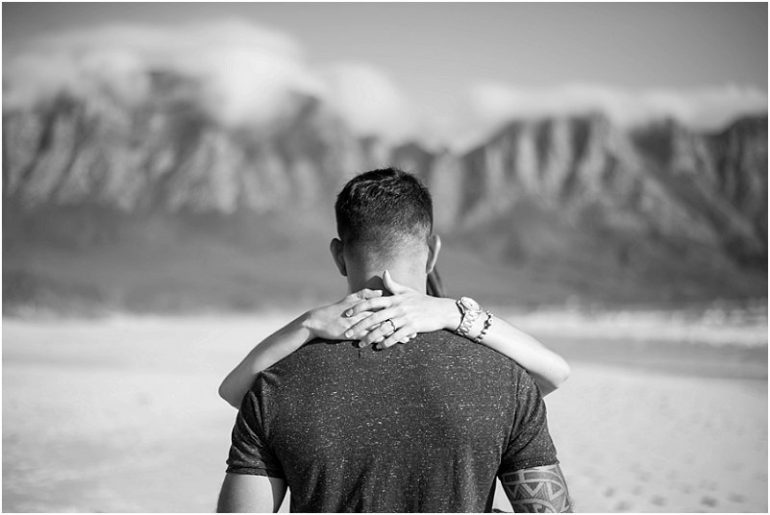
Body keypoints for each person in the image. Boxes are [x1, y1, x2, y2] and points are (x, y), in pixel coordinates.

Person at [217, 168, 572, 512]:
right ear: (433, 252)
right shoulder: (505, 380)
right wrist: (458, 313)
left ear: (339, 256)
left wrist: (307, 323)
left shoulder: (275, 384)